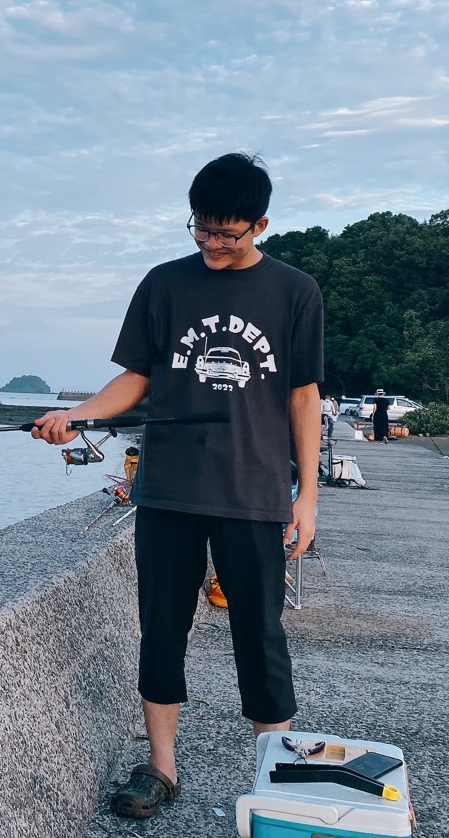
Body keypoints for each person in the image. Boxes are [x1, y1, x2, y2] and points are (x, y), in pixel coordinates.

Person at [31, 152, 323, 820]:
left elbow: (303, 396)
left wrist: (306, 495)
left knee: (260, 635)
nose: (213, 245)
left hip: (253, 493)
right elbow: (134, 378)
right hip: (166, 489)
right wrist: (76, 415)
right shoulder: (164, 284)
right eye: (201, 229)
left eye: (229, 233)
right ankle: (160, 768)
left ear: (261, 223)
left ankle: (270, 775)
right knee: (160, 631)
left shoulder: (294, 291)